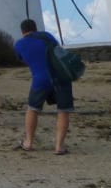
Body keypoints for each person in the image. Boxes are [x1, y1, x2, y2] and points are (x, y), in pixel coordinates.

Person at [13, 18, 72, 155]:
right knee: (63, 111)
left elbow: (21, 59)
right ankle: (59, 146)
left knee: (33, 109)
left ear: (22, 31)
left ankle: (28, 142)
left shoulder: (19, 44)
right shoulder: (47, 36)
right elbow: (58, 50)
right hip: (61, 77)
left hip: (40, 79)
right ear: (35, 28)